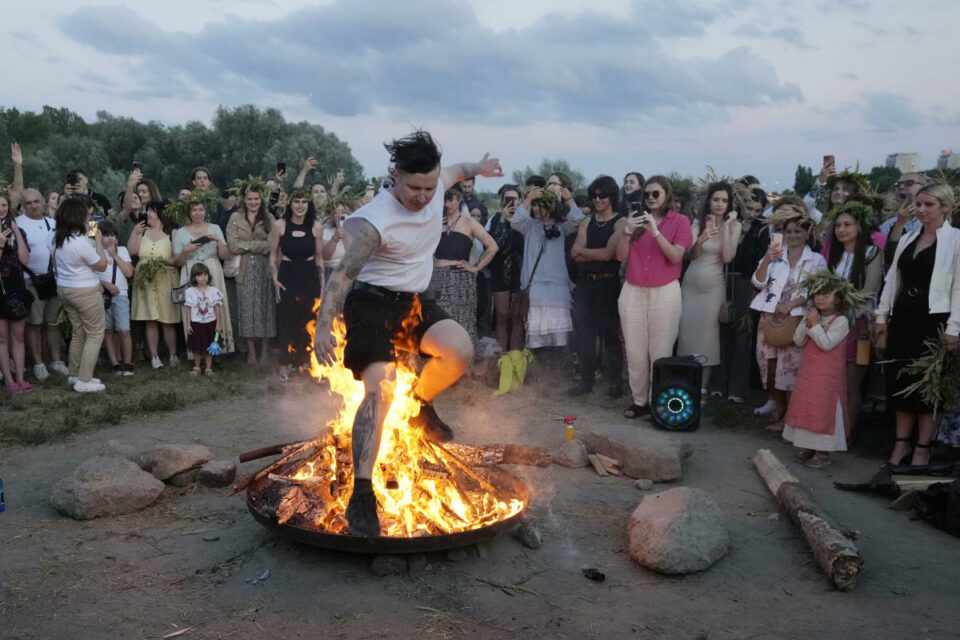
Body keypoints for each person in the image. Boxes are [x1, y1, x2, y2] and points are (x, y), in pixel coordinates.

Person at [312, 130, 502, 537]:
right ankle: (362, 491)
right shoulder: (373, 222)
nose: (422, 196)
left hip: (413, 300)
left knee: (459, 349)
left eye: (429, 187)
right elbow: (342, 276)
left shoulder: (437, 185)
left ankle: (420, 405)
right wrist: (323, 327)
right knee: (381, 388)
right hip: (371, 303)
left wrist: (481, 168)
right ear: (394, 176)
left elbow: (461, 170)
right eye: (414, 187)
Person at [874, 183, 960, 466]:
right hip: (903, 318)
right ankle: (900, 445)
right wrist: (881, 318)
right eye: (919, 204)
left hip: (933, 320)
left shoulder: (956, 240)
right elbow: (891, 281)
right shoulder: (909, 238)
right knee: (900, 381)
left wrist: (953, 328)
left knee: (926, 389)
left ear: (945, 207)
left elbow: (959, 288)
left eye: (929, 205)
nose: (921, 210)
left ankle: (922, 448)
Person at [616, 176, 693, 419]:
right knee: (635, 351)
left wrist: (656, 232)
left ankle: (658, 402)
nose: (650, 198)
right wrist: (628, 231)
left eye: (655, 194)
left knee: (660, 351)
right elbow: (619, 256)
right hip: (633, 290)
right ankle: (640, 402)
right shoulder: (634, 221)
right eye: (647, 194)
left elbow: (676, 257)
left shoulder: (680, 221)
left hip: (665, 292)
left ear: (666, 195)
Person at [750, 205, 827, 425]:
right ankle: (776, 404)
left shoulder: (816, 260)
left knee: (791, 367)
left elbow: (819, 290)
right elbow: (757, 282)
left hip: (796, 318)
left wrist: (793, 302)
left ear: (807, 233)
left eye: (797, 231)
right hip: (771, 316)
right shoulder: (775, 255)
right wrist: (766, 259)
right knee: (770, 363)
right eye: (789, 231)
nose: (792, 235)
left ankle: (790, 416)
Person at [782, 271, 856, 468]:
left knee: (824, 408)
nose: (820, 298)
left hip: (827, 377)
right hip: (809, 374)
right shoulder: (814, 317)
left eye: (826, 294)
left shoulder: (841, 321)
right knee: (808, 406)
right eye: (817, 294)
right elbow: (798, 341)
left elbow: (827, 344)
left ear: (838, 298)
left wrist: (815, 326)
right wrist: (806, 323)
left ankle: (822, 451)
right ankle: (807, 445)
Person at [823, 200, 883, 435]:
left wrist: (843, 310)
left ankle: (845, 433)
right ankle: (827, 429)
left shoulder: (871, 253)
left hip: (858, 324)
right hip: (832, 323)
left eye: (847, 224)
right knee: (831, 382)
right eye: (838, 225)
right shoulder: (836, 256)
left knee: (850, 384)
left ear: (860, 226)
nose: (841, 229)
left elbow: (869, 291)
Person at [677, 182, 741, 394]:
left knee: (707, 337)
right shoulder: (697, 225)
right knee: (686, 335)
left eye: (724, 200)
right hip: (690, 285)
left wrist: (725, 227)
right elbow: (691, 256)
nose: (720, 204)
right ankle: (685, 382)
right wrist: (701, 239)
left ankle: (702, 388)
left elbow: (728, 256)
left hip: (713, 288)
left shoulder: (734, 225)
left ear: (729, 203)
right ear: (709, 201)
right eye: (716, 199)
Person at [710, 185, 769, 403]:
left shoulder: (762, 229)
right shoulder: (730, 223)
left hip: (746, 283)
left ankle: (737, 389)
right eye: (749, 207)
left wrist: (756, 291)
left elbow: (761, 260)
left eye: (757, 209)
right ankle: (717, 384)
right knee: (720, 332)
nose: (752, 213)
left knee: (741, 338)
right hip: (723, 279)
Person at [511, 183, 585, 353]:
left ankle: (557, 371)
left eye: (540, 205)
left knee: (558, 336)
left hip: (557, 288)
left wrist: (568, 199)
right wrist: (529, 198)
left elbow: (580, 220)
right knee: (535, 335)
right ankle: (538, 372)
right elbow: (515, 222)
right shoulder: (529, 225)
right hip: (534, 287)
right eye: (535, 205)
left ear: (550, 207)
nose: (536, 208)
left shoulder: (562, 226)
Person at [568, 175, 623, 397]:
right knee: (585, 336)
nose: (597, 199)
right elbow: (574, 254)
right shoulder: (586, 221)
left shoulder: (621, 222)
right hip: (585, 285)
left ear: (612, 197)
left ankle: (616, 382)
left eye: (602, 195)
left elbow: (610, 254)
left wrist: (585, 252)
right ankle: (586, 381)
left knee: (610, 335)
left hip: (608, 284)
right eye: (594, 196)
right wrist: (592, 254)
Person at [429, 184, 498, 355]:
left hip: (461, 280)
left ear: (459, 199)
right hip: (436, 279)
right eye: (444, 200)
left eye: (450, 199)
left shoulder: (469, 223)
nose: (447, 204)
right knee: (437, 324)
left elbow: (493, 246)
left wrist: (475, 267)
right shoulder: (436, 223)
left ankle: (466, 370)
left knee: (463, 324)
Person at [54, 197, 108, 392]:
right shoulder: (80, 242)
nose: (89, 218)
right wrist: (100, 243)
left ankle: (74, 374)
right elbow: (101, 265)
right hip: (85, 291)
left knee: (78, 332)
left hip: (66, 290)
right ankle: (85, 380)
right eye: (87, 216)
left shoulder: (59, 238)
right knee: (95, 333)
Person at [270, 188, 324, 381]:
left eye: (304, 202)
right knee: (286, 320)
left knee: (307, 319)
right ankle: (284, 364)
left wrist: (323, 285)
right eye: (297, 201)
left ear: (308, 205)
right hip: (287, 275)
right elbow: (273, 256)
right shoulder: (279, 225)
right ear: (290, 204)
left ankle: (303, 362)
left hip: (309, 275)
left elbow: (319, 259)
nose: (300, 205)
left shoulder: (316, 227)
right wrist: (274, 279)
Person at [16, 188, 69, 381]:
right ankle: (38, 364)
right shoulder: (18, 224)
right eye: (28, 203)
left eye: (36, 201)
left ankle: (56, 360)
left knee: (53, 322)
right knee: (35, 324)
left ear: (43, 202)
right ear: (22, 205)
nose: (33, 206)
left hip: (53, 278)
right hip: (31, 281)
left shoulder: (52, 223)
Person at [172, 194, 234, 354]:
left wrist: (219, 242)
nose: (198, 213)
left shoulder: (215, 228)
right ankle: (196, 351)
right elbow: (177, 262)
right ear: (189, 212)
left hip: (212, 269)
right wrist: (185, 251)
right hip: (191, 271)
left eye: (201, 209)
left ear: (206, 211)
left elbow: (225, 256)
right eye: (194, 210)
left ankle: (218, 350)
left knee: (215, 308)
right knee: (194, 309)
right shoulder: (180, 233)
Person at [227, 181, 276, 364]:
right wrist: (259, 246)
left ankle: (264, 352)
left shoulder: (268, 217)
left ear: (261, 199)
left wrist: (247, 246)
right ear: (244, 199)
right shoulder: (235, 218)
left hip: (265, 270)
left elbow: (273, 244)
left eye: (256, 199)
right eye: (250, 199)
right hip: (244, 269)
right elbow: (232, 245)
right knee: (246, 310)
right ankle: (251, 353)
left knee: (266, 309)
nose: (253, 202)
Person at [128, 201, 181, 369]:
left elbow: (176, 259)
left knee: (167, 320)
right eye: (147, 211)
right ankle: (154, 357)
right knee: (150, 320)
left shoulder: (171, 233)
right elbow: (132, 251)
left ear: (159, 213)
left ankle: (173, 355)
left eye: (150, 211)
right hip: (145, 280)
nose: (147, 214)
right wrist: (135, 233)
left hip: (165, 279)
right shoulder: (142, 230)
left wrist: (161, 261)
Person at [486, 185, 526, 351]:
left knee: (518, 318)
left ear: (520, 200)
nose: (512, 203)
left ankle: (516, 357)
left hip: (520, 271)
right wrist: (503, 220)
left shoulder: (525, 220)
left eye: (514, 199)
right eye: (507, 199)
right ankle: (501, 357)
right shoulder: (495, 219)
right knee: (501, 316)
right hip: (500, 271)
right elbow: (496, 245)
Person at [0, 192, 32, 393]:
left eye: (3, 205)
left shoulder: (18, 229)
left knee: (18, 335)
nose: (1, 209)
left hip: (17, 286)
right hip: (0, 288)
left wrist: (17, 233)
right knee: (2, 337)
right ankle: (9, 380)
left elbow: (25, 259)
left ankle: (21, 378)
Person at [97, 220, 135, 375]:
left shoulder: (122, 250)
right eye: (106, 235)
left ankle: (127, 362)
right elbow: (93, 275)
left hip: (121, 294)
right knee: (108, 331)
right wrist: (106, 285)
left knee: (124, 330)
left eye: (113, 235)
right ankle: (114, 363)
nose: (110, 238)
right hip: (103, 295)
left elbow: (129, 273)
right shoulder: (95, 252)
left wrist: (114, 255)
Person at [183, 263, 224, 377]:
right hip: (196, 323)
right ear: (194, 277)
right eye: (200, 275)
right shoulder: (190, 291)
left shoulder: (213, 290)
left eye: (205, 274)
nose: (203, 277)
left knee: (210, 346)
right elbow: (189, 309)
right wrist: (189, 324)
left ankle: (208, 368)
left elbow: (217, 308)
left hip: (210, 323)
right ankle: (196, 367)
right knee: (196, 347)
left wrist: (219, 324)